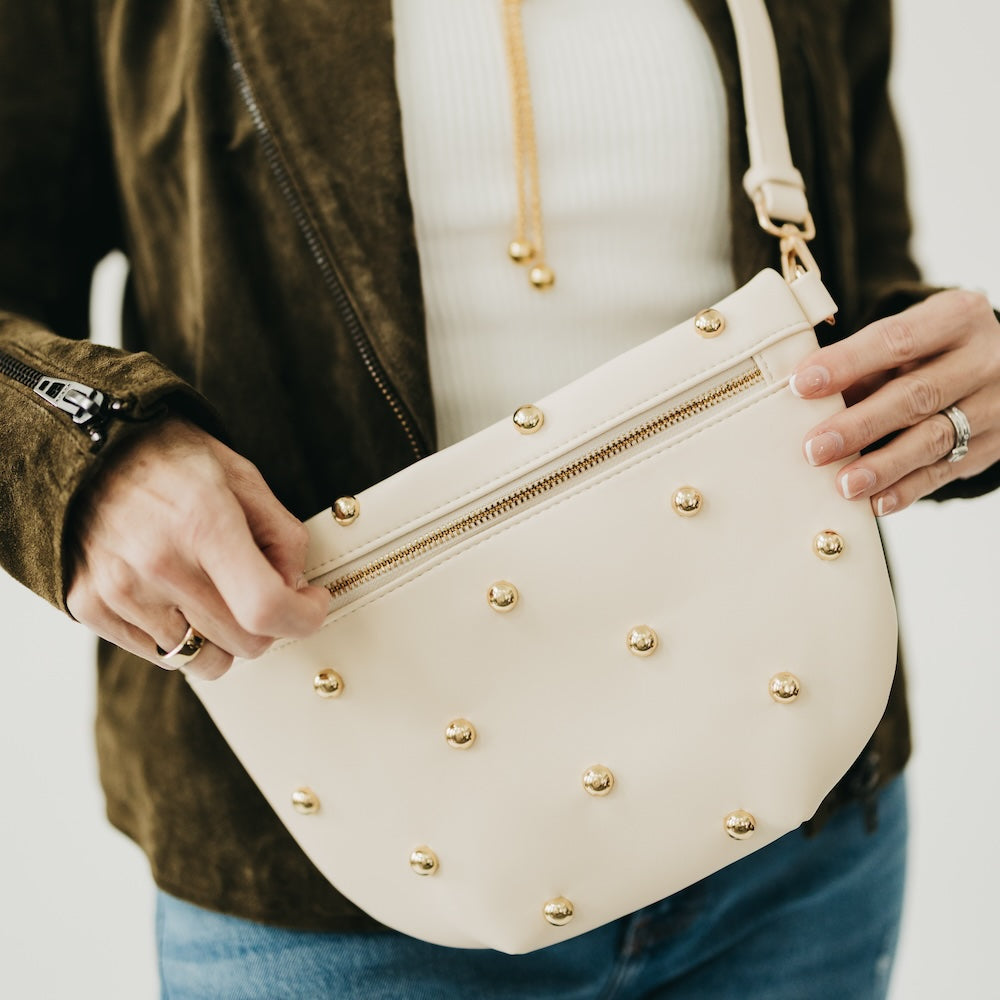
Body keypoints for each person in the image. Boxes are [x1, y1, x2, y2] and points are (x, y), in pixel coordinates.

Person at [1, 1, 997, 997]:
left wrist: (956, 381)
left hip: (798, 801)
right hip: (340, 863)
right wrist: (85, 461)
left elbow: (850, 276)